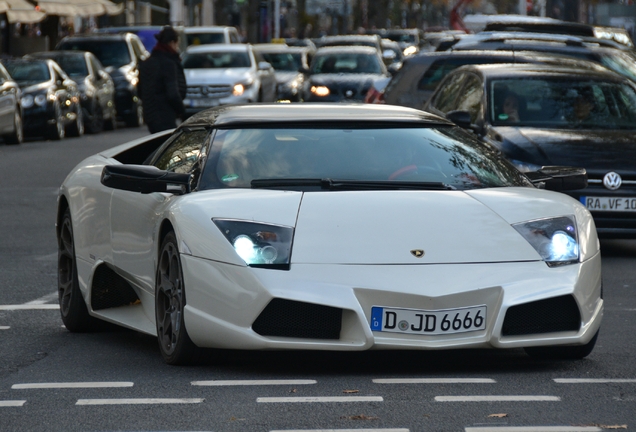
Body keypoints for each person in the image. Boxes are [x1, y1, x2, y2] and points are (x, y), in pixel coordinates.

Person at [138, 25, 186, 134]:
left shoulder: (147, 63)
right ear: (172, 42)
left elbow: (140, 91)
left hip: (150, 115)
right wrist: (182, 112)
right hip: (165, 114)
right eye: (177, 43)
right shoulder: (168, 63)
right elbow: (172, 93)